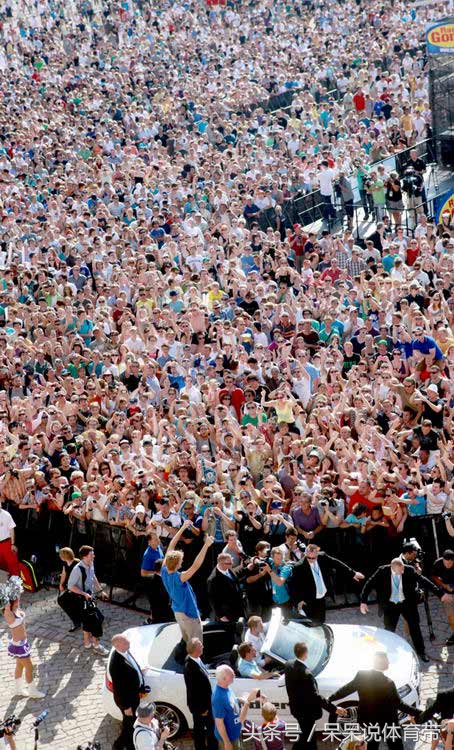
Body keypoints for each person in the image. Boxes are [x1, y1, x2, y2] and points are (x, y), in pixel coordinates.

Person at [360, 558, 453, 662]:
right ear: (393, 569)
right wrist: (363, 601)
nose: (403, 572)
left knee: (415, 628)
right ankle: (387, 653)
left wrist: (441, 594)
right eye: (400, 571)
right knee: (389, 630)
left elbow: (425, 581)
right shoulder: (382, 571)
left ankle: (421, 652)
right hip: (390, 605)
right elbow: (368, 584)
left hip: (407, 604)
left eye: (403, 569)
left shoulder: (409, 570)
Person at [329, 651, 419, 750]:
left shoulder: (362, 675)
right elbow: (400, 704)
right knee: (396, 746)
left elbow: (346, 689)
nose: (389, 663)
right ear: (383, 663)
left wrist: (330, 699)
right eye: (387, 661)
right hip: (388, 723)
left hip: (369, 721)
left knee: (372, 745)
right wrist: (418, 713)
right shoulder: (388, 683)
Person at [285, 641, 346, 750]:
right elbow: (316, 697)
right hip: (307, 713)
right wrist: (334, 709)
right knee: (308, 737)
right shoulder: (307, 674)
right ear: (305, 654)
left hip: (296, 709)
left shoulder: (289, 664)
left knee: (307, 735)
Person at [161, 520, 213, 643]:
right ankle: (193, 661)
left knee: (187, 641)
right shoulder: (179, 577)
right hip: (188, 614)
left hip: (177, 612)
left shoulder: (163, 570)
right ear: (178, 564)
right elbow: (195, 566)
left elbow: (171, 546)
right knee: (196, 645)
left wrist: (183, 528)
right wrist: (206, 545)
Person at [288, 544, 364, 623]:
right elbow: (294, 585)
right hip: (309, 600)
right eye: (308, 557)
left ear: (317, 554)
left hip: (321, 598)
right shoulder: (299, 567)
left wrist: (353, 573)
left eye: (313, 558)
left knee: (321, 620)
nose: (311, 560)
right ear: (305, 554)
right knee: (312, 623)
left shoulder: (322, 557)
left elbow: (336, 563)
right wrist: (299, 600)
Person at [0, 577, 45, 698]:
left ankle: (18, 689)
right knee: (29, 667)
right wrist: (6, 595)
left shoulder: (15, 608)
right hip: (19, 645)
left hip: (22, 643)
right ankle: (32, 691)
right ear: (11, 601)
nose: (19, 599)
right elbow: (6, 603)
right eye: (17, 598)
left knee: (19, 666)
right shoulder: (8, 612)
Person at [67, 545, 109, 655]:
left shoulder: (91, 564)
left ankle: (86, 643)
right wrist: (84, 593)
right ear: (84, 557)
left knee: (88, 620)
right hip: (81, 599)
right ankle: (96, 646)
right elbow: (70, 586)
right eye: (91, 555)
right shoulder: (77, 569)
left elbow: (93, 576)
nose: (94, 556)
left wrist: (100, 591)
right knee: (97, 620)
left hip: (90, 597)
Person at [109, 634, 148, 750]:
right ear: (118, 645)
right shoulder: (116, 663)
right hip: (128, 701)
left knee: (130, 723)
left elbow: (131, 668)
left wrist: (139, 671)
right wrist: (126, 706)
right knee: (129, 725)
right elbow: (119, 688)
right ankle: (123, 745)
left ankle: (124, 744)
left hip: (134, 696)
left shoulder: (125, 651)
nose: (129, 643)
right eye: (126, 643)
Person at [211, 665, 258, 750]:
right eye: (231, 675)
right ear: (224, 679)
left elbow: (230, 701)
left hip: (235, 733)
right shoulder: (218, 698)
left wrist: (240, 699)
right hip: (229, 738)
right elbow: (219, 723)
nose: (234, 675)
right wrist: (227, 742)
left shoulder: (226, 687)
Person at [183, 637, 217, 750]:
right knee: (203, 729)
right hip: (201, 707)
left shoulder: (196, 659)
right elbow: (194, 691)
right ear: (195, 650)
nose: (203, 646)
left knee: (204, 728)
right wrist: (202, 709)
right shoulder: (190, 668)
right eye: (200, 645)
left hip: (205, 704)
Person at [207, 552, 245, 623]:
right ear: (221, 563)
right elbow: (212, 599)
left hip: (238, 608)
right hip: (227, 614)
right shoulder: (213, 579)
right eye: (229, 563)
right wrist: (220, 615)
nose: (232, 564)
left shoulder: (228, 569)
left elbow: (234, 579)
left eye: (232, 562)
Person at [431, 550, 454, 645]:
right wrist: (444, 585)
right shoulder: (438, 563)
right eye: (445, 563)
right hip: (447, 594)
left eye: (450, 563)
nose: (447, 565)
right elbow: (434, 576)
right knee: (451, 616)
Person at [57, 547, 81, 632]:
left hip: (76, 587)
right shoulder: (65, 563)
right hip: (68, 586)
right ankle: (76, 620)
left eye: (61, 555)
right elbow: (64, 574)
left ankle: (77, 620)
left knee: (64, 600)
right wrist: (61, 584)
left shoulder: (77, 563)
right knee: (61, 600)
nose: (60, 556)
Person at [0, 504, 20, 576]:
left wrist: (13, 544)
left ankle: (16, 585)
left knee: (13, 566)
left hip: (6, 543)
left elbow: (12, 530)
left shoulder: (6, 515)